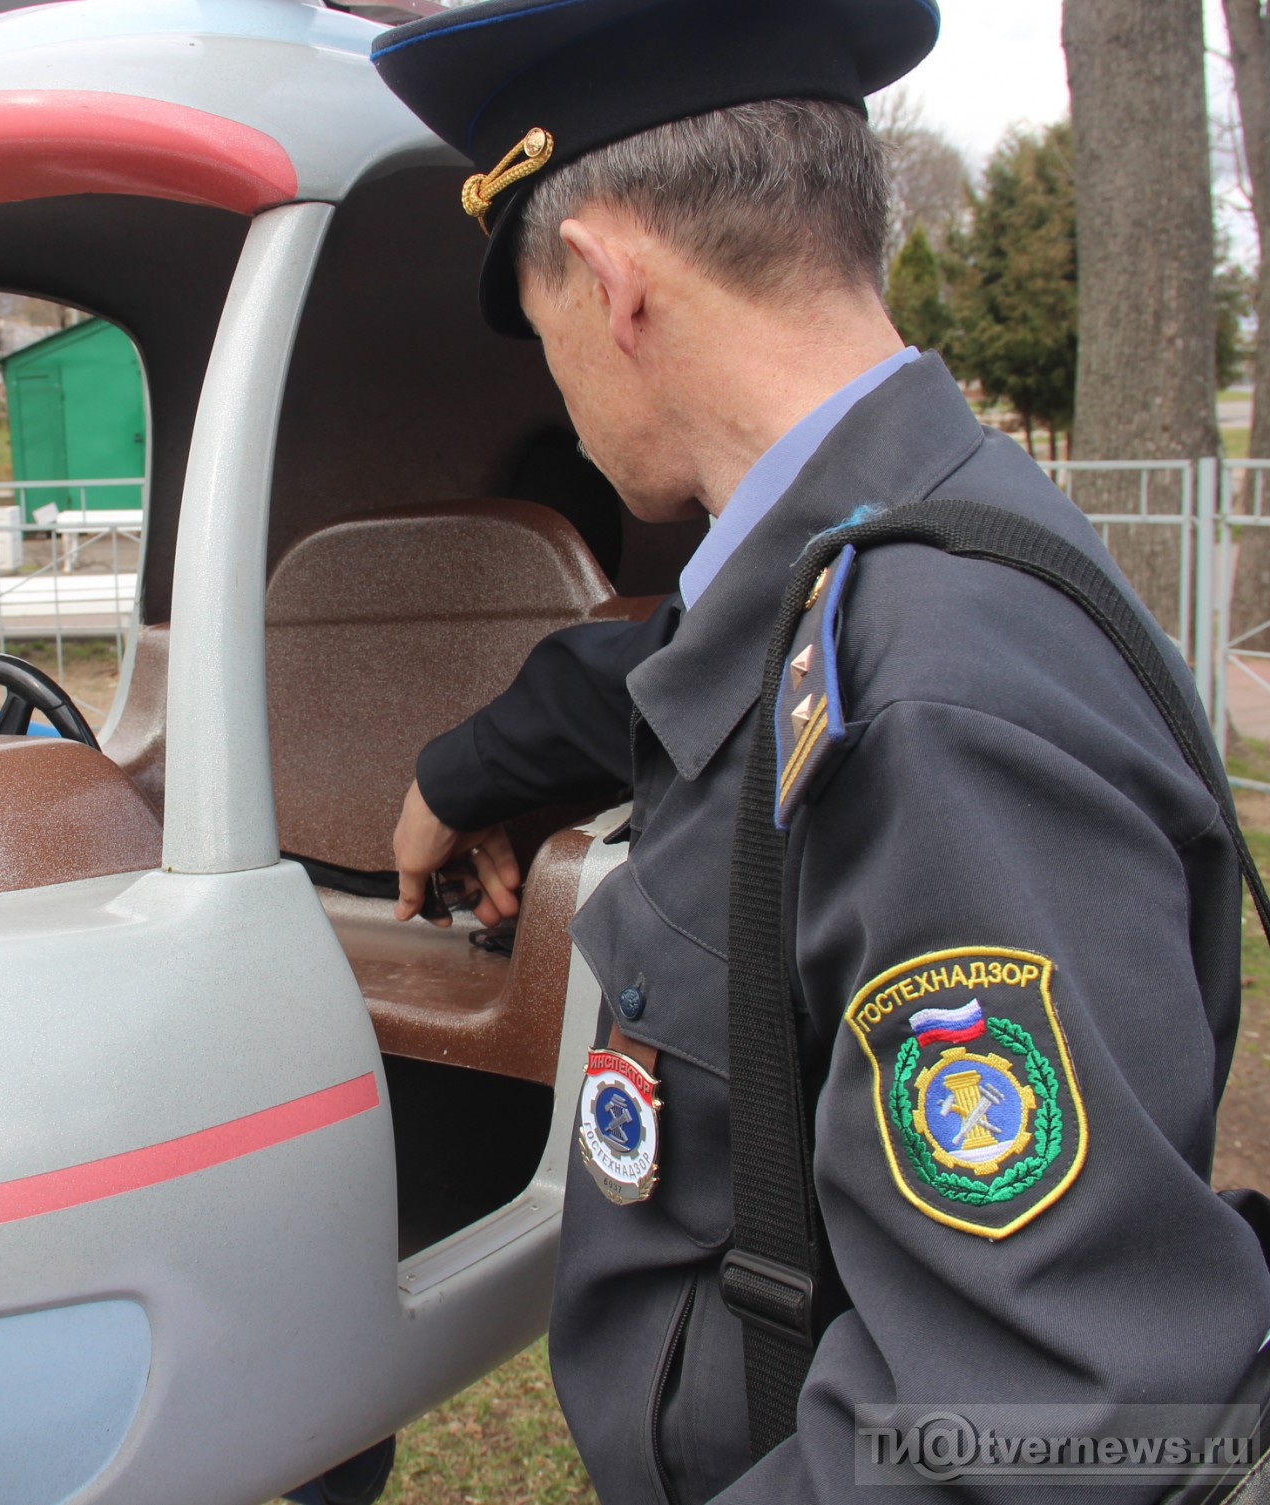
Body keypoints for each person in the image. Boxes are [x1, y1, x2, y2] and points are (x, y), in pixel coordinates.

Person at [369, 0, 1270, 1500]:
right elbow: (692, 666)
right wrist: (465, 774)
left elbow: (1034, 1412)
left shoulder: (934, 707)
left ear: (607, 283)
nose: (565, 397)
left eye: (545, 339)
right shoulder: (900, 549)